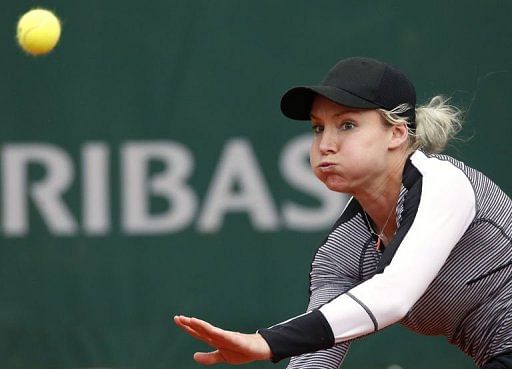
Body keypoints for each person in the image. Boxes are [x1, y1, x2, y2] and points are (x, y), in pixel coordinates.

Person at [174, 57, 512, 369]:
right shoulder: (342, 251)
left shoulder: (443, 183)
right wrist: (271, 344)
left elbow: (393, 296)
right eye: (318, 128)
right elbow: (315, 353)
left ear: (396, 134)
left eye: (347, 125)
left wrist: (267, 341)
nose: (325, 145)